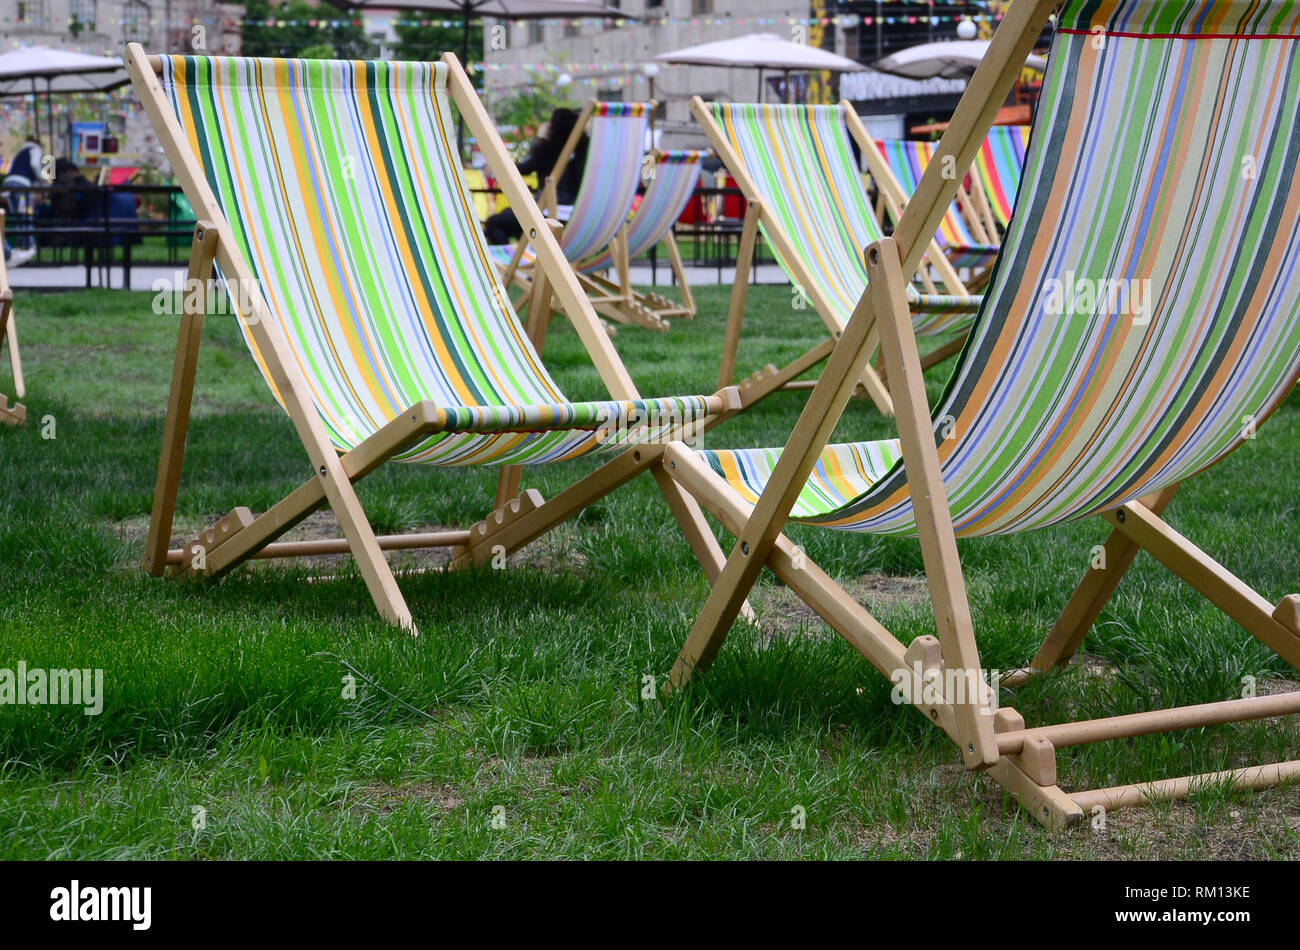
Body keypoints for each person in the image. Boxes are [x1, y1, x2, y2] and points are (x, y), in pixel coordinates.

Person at [483, 107, 588, 247]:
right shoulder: (586, 153)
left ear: (553, 128)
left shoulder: (547, 150)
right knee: (508, 214)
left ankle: (511, 262)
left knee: (494, 223)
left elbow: (520, 169)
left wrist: (539, 138)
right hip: (577, 220)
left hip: (548, 218)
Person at [3, 136, 45, 251]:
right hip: (21, 185)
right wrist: (42, 178)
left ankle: (22, 245)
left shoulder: (20, 153)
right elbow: (35, 164)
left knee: (18, 215)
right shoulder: (35, 149)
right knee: (26, 214)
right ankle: (29, 246)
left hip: (9, 184)